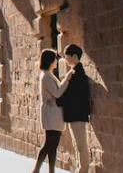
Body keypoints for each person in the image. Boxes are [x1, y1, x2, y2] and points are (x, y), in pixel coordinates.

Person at [33, 49, 70, 173]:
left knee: (52, 146)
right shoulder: (46, 76)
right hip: (51, 115)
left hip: (53, 114)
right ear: (50, 61)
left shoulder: (48, 74)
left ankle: (49, 171)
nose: (56, 61)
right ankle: (36, 170)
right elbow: (58, 93)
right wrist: (67, 79)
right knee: (49, 144)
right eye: (55, 59)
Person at [60, 44, 92, 172]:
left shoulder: (77, 73)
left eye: (66, 55)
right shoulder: (74, 72)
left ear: (74, 56)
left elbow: (71, 95)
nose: (65, 58)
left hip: (77, 114)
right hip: (75, 114)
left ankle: (83, 169)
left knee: (81, 145)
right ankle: (81, 169)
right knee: (78, 144)